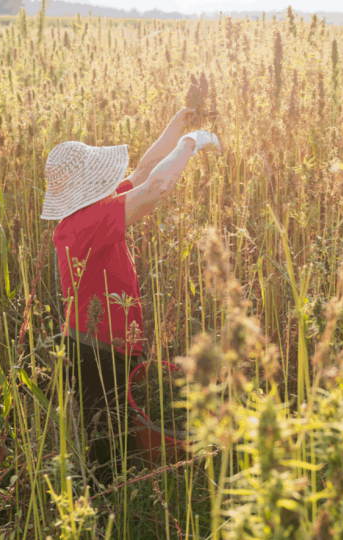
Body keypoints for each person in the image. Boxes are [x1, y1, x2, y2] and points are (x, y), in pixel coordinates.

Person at [41, 107, 220, 481]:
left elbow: (143, 172)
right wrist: (192, 143)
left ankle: (120, 488)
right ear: (86, 185)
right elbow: (155, 187)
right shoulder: (87, 223)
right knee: (107, 446)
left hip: (110, 343)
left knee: (118, 431)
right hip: (96, 350)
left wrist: (178, 123)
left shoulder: (91, 210)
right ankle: (106, 505)